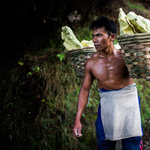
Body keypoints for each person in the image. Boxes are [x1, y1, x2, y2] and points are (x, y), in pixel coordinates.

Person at [72, 16, 143, 150]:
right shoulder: (91, 63)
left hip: (129, 105)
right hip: (107, 105)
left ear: (112, 37)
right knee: (104, 145)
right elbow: (85, 89)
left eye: (99, 35)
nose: (94, 40)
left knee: (132, 146)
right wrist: (77, 120)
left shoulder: (126, 57)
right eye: (93, 36)